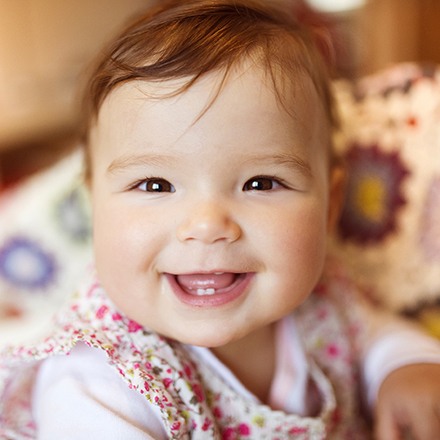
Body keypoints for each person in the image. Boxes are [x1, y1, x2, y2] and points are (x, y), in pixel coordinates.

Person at [1, 1, 440, 438]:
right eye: (155, 185)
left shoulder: (321, 301)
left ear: (329, 207)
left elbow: (375, 333)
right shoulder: (97, 381)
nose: (207, 224)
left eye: (261, 183)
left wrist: (404, 367)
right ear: (94, 205)